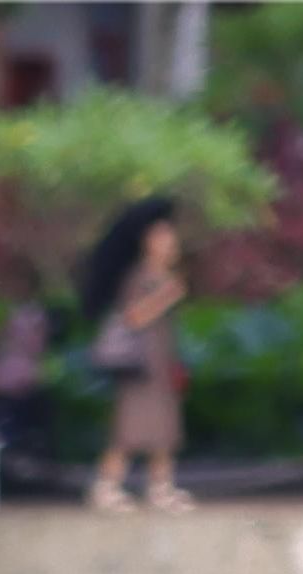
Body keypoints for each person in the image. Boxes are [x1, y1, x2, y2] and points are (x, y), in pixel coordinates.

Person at [80, 201, 193, 512]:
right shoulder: (139, 276)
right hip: (139, 367)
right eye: (162, 236)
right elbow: (133, 317)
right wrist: (166, 296)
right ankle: (106, 486)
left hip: (159, 367)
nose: (170, 242)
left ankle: (161, 488)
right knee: (128, 431)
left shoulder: (164, 275)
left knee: (163, 430)